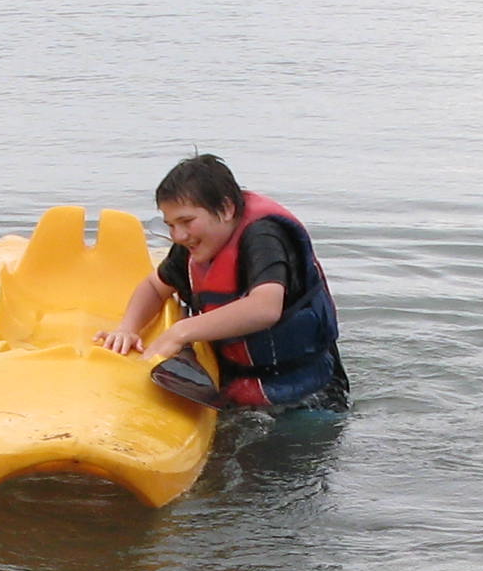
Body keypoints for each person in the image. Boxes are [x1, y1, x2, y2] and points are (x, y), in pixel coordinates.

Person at [95, 153, 348, 411]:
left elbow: (266, 308)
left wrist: (180, 332)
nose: (178, 235)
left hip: (308, 395)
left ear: (227, 209)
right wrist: (128, 328)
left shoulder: (264, 237)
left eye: (186, 221)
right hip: (237, 382)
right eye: (170, 225)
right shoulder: (193, 245)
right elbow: (154, 286)